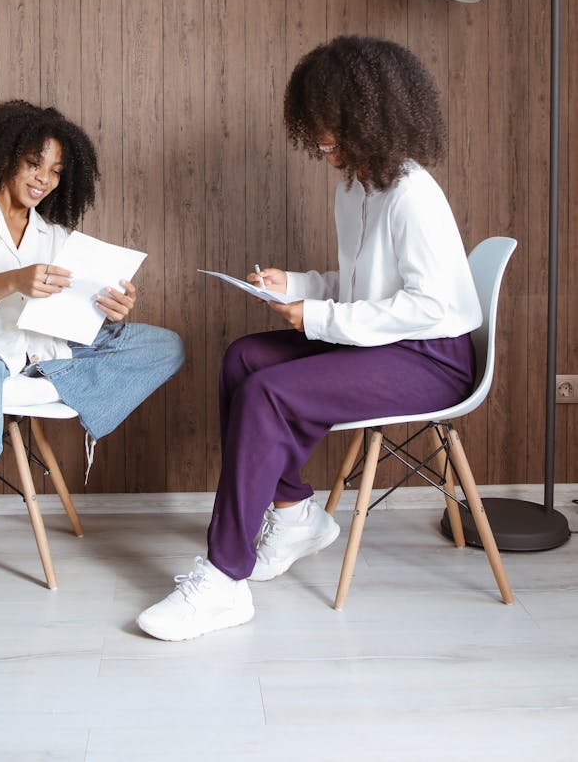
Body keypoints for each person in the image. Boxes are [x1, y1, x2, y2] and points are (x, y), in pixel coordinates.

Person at [137, 35, 482, 641]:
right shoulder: (355, 189)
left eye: (330, 125)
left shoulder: (412, 194)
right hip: (383, 343)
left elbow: (433, 306)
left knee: (269, 395)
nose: (321, 138)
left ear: (367, 117)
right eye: (316, 124)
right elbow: (360, 286)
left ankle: (223, 579)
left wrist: (316, 318)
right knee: (245, 359)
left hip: (433, 360)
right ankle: (294, 514)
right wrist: (293, 285)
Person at [0, 100, 184, 601]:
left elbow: (77, 306)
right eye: (34, 163)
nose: (43, 179)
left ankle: (53, 378)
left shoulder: (54, 236)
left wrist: (113, 307)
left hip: (39, 348)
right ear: (6, 155)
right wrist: (13, 279)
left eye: (55, 171)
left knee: (164, 346)